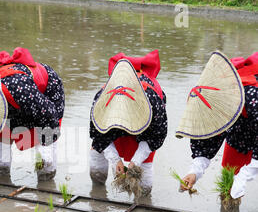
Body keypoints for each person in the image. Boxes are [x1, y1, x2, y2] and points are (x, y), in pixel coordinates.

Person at [0, 47, 65, 186]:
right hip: (12, 101)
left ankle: (47, 178)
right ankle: (1, 175)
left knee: (45, 160)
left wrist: (46, 147)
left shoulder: (21, 90)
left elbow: (49, 114)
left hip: (44, 93)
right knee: (0, 148)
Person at [177, 51, 257, 201]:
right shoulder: (213, 104)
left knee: (242, 177)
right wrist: (194, 172)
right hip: (240, 130)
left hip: (252, 112)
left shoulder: (252, 95)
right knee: (229, 179)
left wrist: (245, 175)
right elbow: (206, 143)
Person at [89, 50, 167, 196]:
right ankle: (98, 191)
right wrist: (115, 160)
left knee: (144, 186)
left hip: (145, 130)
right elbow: (98, 135)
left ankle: (143, 200)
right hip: (111, 129)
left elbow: (155, 138)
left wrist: (135, 162)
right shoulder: (102, 98)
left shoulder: (153, 101)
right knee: (97, 163)